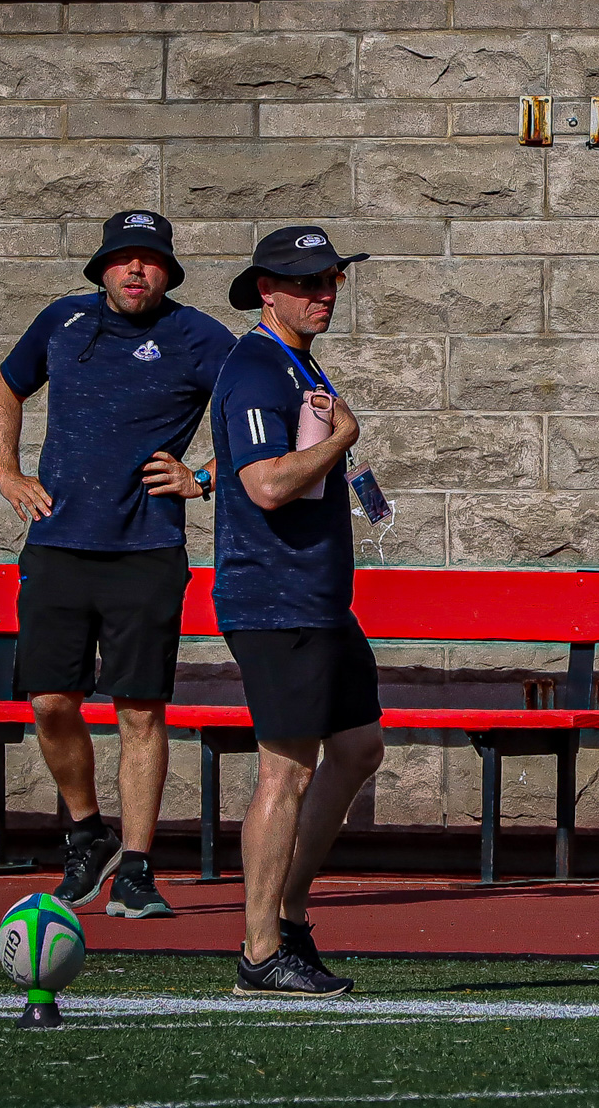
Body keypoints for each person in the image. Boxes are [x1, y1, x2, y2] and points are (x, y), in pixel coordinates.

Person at [0, 210, 235, 919]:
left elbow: (265, 411)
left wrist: (205, 479)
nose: (136, 271)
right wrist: (7, 472)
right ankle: (86, 833)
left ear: (168, 272)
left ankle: (137, 867)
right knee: (51, 701)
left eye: (150, 261)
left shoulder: (197, 338)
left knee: (138, 712)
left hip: (146, 552)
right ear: (101, 268)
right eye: (123, 259)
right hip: (59, 544)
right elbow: (4, 388)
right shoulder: (62, 322)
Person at [211, 226, 385, 998]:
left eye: (331, 280)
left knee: (358, 748)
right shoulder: (254, 367)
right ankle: (259, 950)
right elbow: (266, 485)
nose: (323, 293)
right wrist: (344, 435)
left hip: (319, 598)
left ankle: (288, 916)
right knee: (286, 769)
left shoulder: (295, 362)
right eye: (307, 282)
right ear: (266, 292)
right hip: (275, 598)